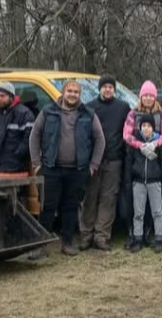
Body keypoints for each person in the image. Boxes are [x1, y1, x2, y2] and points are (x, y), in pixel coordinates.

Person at [29, 79, 105, 256]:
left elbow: (100, 139)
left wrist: (93, 165)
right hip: (51, 168)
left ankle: (67, 243)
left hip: (77, 170)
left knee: (70, 207)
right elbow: (34, 136)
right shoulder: (48, 112)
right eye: (70, 91)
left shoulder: (88, 114)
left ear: (80, 95)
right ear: (63, 92)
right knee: (47, 207)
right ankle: (41, 245)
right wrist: (36, 164)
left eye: (76, 92)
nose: (73, 94)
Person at [80, 75, 131, 251]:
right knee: (90, 199)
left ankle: (101, 236)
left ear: (114, 90)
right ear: (99, 89)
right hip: (93, 162)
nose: (107, 89)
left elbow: (128, 131)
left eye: (110, 87)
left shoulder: (123, 107)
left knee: (108, 200)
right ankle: (86, 235)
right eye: (104, 86)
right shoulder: (89, 108)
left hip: (114, 160)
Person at [121, 80, 162, 249]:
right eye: (145, 95)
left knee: (155, 207)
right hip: (135, 158)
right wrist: (140, 145)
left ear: (155, 97)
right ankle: (135, 235)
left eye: (151, 95)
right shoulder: (133, 114)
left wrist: (155, 144)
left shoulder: (161, 114)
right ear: (141, 97)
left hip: (155, 158)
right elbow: (126, 135)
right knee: (136, 205)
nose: (148, 98)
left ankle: (154, 234)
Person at [125, 114, 162, 254]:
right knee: (138, 212)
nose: (146, 128)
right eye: (144, 126)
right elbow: (129, 161)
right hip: (138, 182)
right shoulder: (135, 144)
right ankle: (138, 238)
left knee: (157, 211)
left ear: (153, 128)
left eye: (149, 126)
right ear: (140, 127)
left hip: (154, 181)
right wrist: (129, 179)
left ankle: (158, 238)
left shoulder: (158, 144)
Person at [0, 81, 35, 173]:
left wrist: (17, 155)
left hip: (15, 169)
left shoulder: (24, 114)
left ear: (11, 96)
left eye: (2, 96)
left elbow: (28, 139)